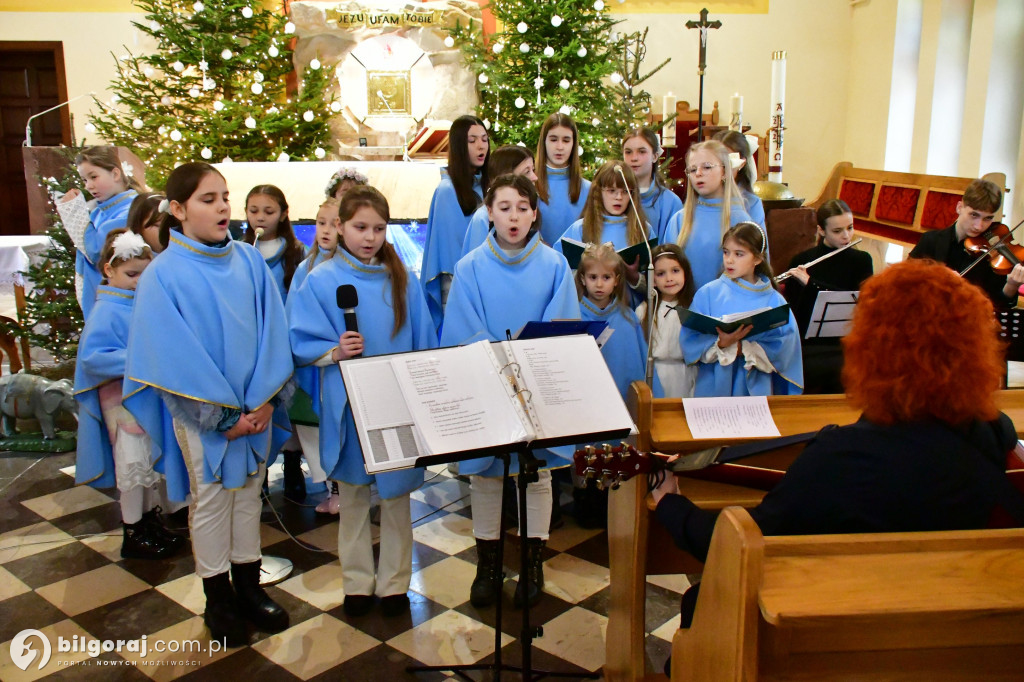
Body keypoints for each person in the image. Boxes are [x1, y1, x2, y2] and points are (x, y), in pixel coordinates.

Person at [652, 259, 1023, 645]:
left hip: (849, 638)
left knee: (702, 604)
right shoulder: (995, 434)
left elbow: (745, 545)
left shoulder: (846, 456)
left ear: (871, 348)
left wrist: (672, 505)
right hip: (959, 631)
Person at [124, 162, 294, 647]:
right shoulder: (164, 275)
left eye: (224, 197)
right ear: (178, 210)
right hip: (204, 417)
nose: (222, 207)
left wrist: (263, 402)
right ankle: (217, 597)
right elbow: (172, 356)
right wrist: (222, 418)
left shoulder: (247, 261)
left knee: (248, 496)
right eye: (207, 199)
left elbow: (272, 332)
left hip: (255, 409)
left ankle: (248, 587)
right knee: (214, 500)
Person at [288, 186, 435, 617]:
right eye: (359, 227)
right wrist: (335, 350)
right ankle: (355, 582)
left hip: (396, 401)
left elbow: (423, 339)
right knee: (352, 499)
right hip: (349, 404)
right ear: (340, 227)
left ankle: (393, 584)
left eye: (378, 228)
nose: (369, 237)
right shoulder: (321, 280)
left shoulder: (400, 278)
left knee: (395, 498)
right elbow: (298, 337)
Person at [441, 174, 580, 609]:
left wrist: (530, 363)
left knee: (536, 473)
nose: (514, 216)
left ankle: (533, 563)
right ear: (489, 212)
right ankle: (487, 564)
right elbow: (462, 327)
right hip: (488, 384)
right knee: (486, 474)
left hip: (537, 386)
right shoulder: (470, 268)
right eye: (504, 207)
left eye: (523, 207)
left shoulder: (555, 265)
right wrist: (501, 362)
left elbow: (562, 324)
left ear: (535, 213)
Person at [74, 229, 184, 560]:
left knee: (146, 465)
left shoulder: (135, 303)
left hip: (141, 401)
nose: (138, 281)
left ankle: (149, 523)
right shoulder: (107, 309)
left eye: (143, 274)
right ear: (108, 270)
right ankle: (133, 530)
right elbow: (92, 358)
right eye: (130, 274)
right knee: (133, 467)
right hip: (122, 407)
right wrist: (142, 357)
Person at [573, 243, 657, 528]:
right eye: (593, 277)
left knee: (616, 455)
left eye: (606, 277)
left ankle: (614, 505)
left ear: (617, 280)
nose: (599, 284)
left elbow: (640, 363)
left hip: (619, 401)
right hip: (586, 405)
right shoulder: (573, 318)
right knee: (587, 453)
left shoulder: (627, 318)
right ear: (582, 279)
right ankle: (586, 503)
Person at [681, 222, 802, 397]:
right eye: (725, 252)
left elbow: (786, 348)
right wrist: (722, 344)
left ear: (758, 259)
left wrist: (742, 348)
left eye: (739, 254)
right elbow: (690, 338)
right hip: (714, 382)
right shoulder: (708, 293)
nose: (729, 260)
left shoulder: (774, 300)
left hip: (755, 384)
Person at [781, 199, 873, 393]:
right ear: (821, 230)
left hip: (846, 341)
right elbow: (797, 315)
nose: (846, 236)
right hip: (810, 343)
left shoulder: (862, 261)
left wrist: (811, 284)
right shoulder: (802, 261)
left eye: (850, 228)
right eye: (837, 231)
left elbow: (858, 302)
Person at [288, 199, 341, 515]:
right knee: (312, 426)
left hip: (338, 362)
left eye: (334, 223)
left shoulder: (348, 268)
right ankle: (327, 485)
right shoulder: (303, 269)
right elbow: (292, 315)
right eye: (321, 222)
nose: (326, 230)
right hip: (312, 364)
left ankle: (341, 487)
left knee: (337, 425)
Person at [420, 114, 490, 330]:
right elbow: (448, 255)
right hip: (459, 287)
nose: (481, 146)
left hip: (488, 280)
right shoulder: (447, 192)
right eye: (472, 141)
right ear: (459, 145)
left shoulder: (488, 186)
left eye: (485, 139)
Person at [909, 178, 1024, 309]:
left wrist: (1011, 286)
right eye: (974, 215)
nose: (979, 226)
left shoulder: (993, 255)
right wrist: (937, 277)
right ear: (959, 207)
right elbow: (904, 280)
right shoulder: (931, 240)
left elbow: (996, 308)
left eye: (988, 218)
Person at [57, 146, 142, 319]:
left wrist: (74, 214)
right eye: (84, 180)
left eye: (93, 177)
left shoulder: (130, 208)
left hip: (120, 301)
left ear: (116, 174)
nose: (88, 186)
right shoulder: (100, 209)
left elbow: (96, 251)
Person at [556, 161, 653, 303]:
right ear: (598, 192)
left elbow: (656, 286)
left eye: (625, 191)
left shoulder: (643, 229)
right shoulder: (581, 228)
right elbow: (559, 272)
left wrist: (634, 277)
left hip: (630, 312)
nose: (619, 197)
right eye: (611, 191)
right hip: (587, 310)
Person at [663, 140, 753, 290]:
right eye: (692, 170)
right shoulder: (680, 219)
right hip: (685, 307)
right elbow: (665, 269)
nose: (698, 173)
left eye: (706, 167)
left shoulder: (740, 220)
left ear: (724, 171)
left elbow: (752, 273)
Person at [637, 244, 698, 398]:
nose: (669, 278)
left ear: (685, 273)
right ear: (653, 280)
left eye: (675, 271)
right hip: (654, 374)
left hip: (685, 375)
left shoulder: (694, 309)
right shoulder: (644, 310)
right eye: (661, 273)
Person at [460, 145, 538, 257]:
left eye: (533, 170)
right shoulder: (483, 218)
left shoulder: (531, 208)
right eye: (527, 172)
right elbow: (476, 264)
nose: (535, 177)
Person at [242, 184, 307, 300]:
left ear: (283, 215)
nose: (260, 218)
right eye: (253, 211)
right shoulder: (240, 251)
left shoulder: (297, 252)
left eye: (269, 212)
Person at [535, 112, 591, 246]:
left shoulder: (588, 189)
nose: (560, 147)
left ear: (573, 144)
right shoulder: (529, 185)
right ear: (544, 142)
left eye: (566, 140)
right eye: (553, 140)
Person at [623, 127, 682, 241]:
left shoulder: (671, 202)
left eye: (642, 151)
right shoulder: (614, 196)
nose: (634, 158)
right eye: (628, 152)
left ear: (655, 156)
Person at [713, 130, 764, 229]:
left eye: (728, 159)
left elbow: (758, 241)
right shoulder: (702, 197)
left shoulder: (751, 202)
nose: (721, 166)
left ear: (742, 163)